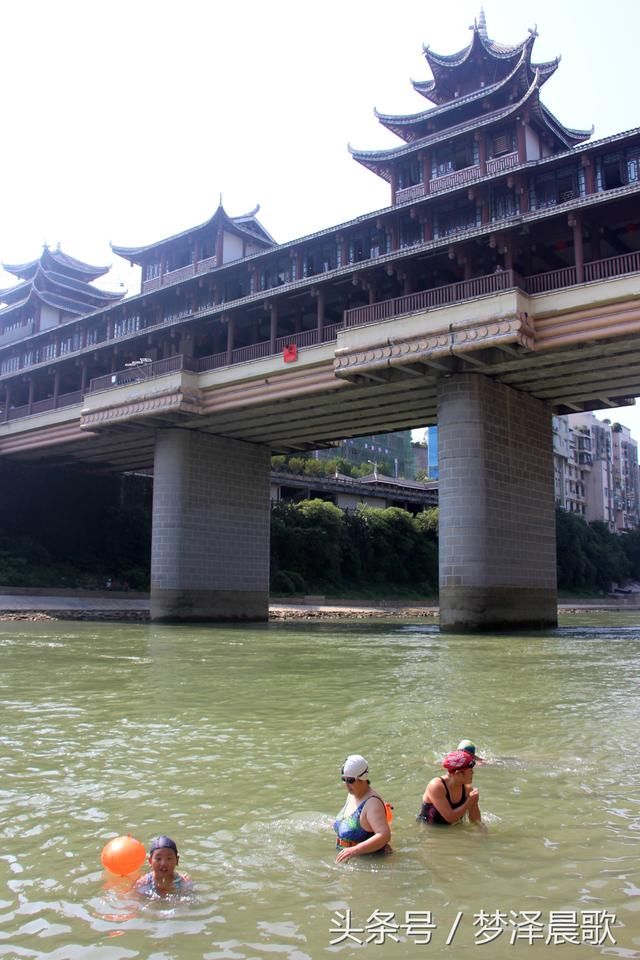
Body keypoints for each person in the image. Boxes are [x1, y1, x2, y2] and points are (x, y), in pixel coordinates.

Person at [333, 754, 392, 862]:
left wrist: (354, 850)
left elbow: (384, 835)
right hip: (347, 858)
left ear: (362, 778)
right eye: (344, 779)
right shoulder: (351, 795)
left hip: (369, 862)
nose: (346, 784)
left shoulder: (372, 803)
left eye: (350, 780)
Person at [417, 750, 482, 826]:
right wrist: (469, 802)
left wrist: (480, 831)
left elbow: (475, 821)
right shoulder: (436, 786)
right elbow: (450, 818)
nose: (473, 773)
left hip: (453, 830)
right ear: (458, 773)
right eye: (470, 770)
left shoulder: (467, 789)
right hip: (431, 831)